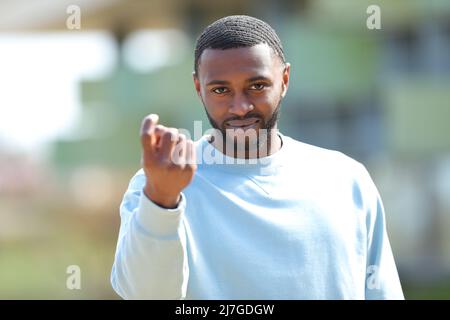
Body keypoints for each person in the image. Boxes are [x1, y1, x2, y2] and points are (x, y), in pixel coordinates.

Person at [111, 15, 404, 299]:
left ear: (284, 79)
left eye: (257, 86)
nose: (240, 107)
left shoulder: (346, 178)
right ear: (199, 88)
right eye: (221, 90)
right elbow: (145, 295)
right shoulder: (159, 185)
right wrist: (161, 201)